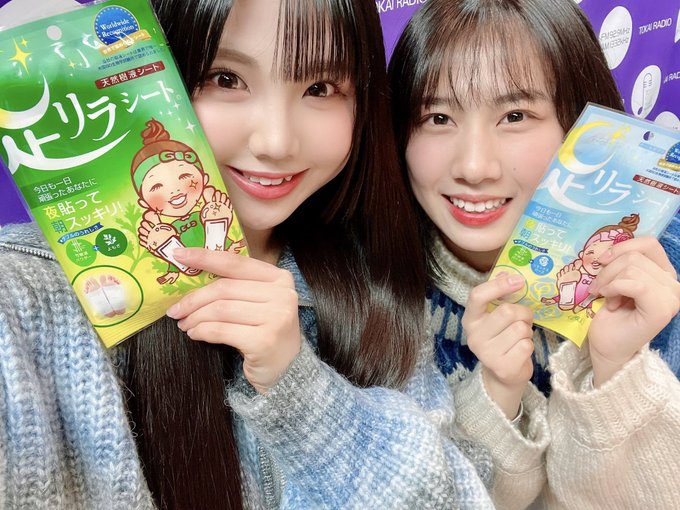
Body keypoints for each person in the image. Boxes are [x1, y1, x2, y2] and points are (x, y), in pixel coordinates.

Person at [0, 0, 494, 508]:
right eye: (226, 79)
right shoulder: (25, 298)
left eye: (320, 88)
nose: (276, 142)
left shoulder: (370, 283)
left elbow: (462, 495)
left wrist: (302, 394)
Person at [388, 0, 680, 508]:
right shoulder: (370, 288)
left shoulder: (654, 270)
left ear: (581, 126)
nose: (474, 167)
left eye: (515, 116)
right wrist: (498, 393)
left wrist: (613, 370)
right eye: (438, 117)